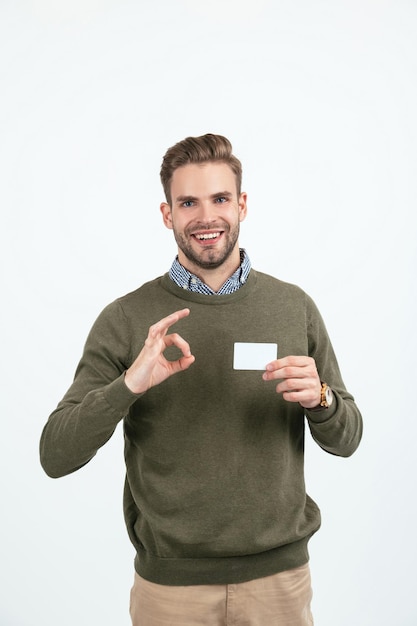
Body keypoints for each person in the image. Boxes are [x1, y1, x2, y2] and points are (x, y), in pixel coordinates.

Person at [40, 133, 363, 625]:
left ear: (242, 205)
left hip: (278, 582)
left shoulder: (293, 307)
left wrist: (321, 400)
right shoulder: (127, 319)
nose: (206, 217)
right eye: (188, 202)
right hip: (170, 589)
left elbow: (348, 439)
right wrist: (128, 386)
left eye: (220, 199)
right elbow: (55, 455)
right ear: (168, 214)